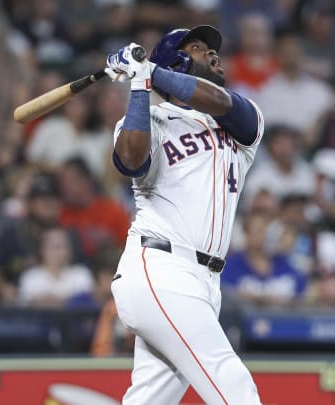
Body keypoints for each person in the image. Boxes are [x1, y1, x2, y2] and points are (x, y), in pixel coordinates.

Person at [105, 25, 264, 404]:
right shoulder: (147, 120)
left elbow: (225, 105)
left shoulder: (243, 120)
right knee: (235, 388)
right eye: (198, 48)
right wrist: (141, 84)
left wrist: (150, 72)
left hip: (206, 283)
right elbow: (131, 160)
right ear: (175, 60)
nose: (213, 54)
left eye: (214, 49)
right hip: (159, 269)